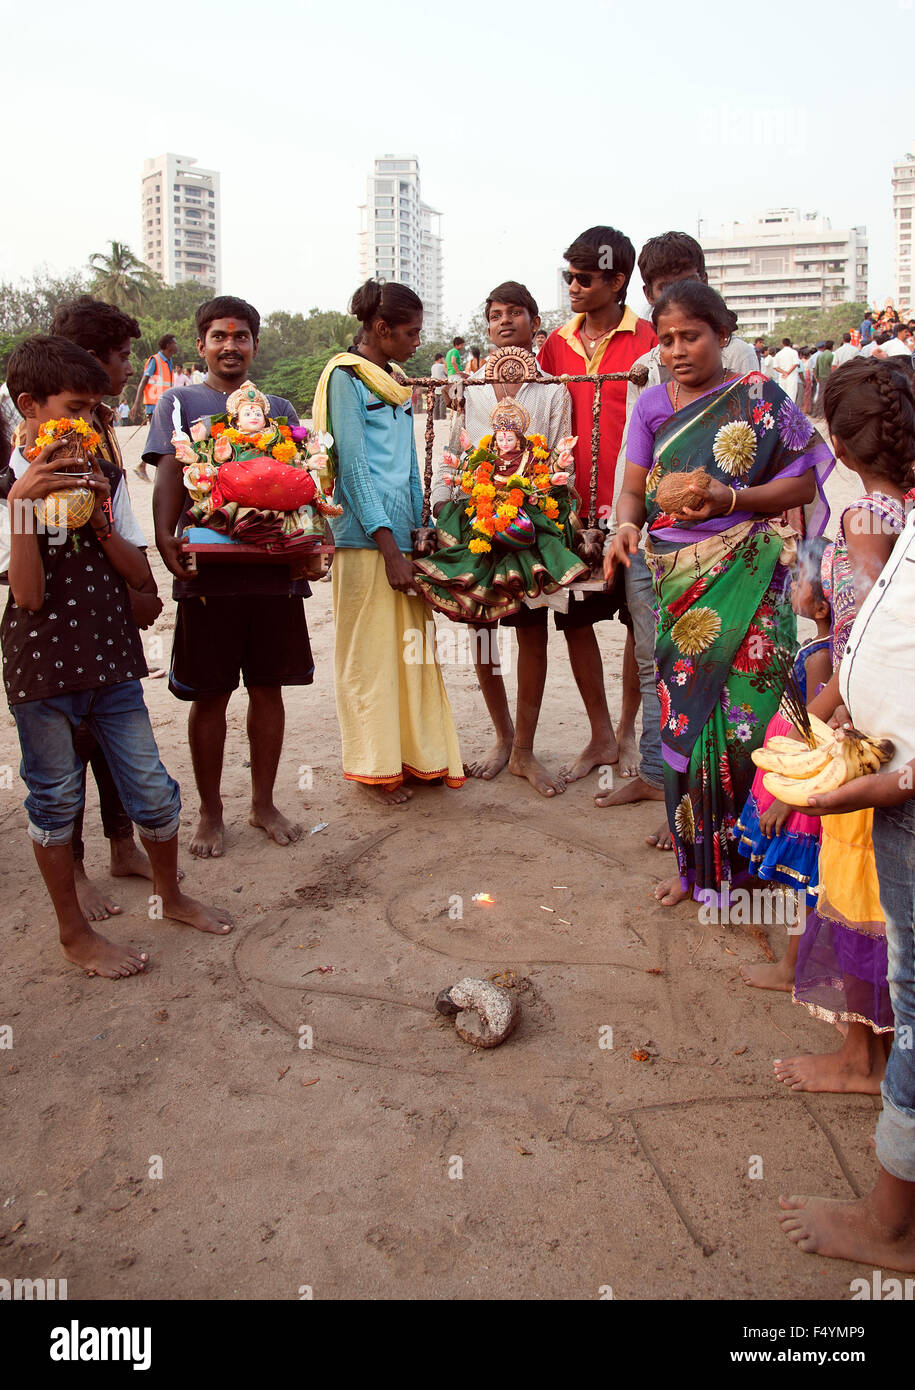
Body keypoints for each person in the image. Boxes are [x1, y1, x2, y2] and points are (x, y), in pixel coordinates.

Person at [0, 336, 231, 978]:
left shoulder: (98, 481)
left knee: (153, 792)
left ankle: (171, 894)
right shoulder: (7, 492)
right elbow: (28, 592)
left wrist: (98, 515)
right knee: (53, 801)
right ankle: (73, 934)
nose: (92, 423)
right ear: (30, 407)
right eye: (77, 408)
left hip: (111, 661)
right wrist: (23, 503)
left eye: (98, 410)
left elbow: (135, 576)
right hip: (42, 673)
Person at [609, 280, 833, 907]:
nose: (678, 350)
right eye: (668, 339)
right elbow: (632, 490)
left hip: (752, 573)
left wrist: (730, 500)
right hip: (677, 579)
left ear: (723, 335)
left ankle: (758, 866)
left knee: (751, 718)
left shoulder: (758, 397)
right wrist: (625, 524)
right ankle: (698, 870)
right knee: (690, 716)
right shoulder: (652, 405)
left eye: (692, 336)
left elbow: (801, 485)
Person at [778, 506, 915, 1274]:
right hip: (884, 771)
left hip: (887, 774)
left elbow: (847, 629)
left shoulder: (869, 516)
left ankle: (892, 1226)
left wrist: (888, 781)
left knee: (889, 953)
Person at [776, 360, 912, 1094]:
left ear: (839, 440)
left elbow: (863, 629)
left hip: (859, 726)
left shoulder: (862, 518)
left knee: (855, 887)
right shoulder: (901, 512)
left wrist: (814, 714)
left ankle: (863, 1059)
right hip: (888, 725)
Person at [603, 232, 759, 846]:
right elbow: (631, 472)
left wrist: (744, 511)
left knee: (723, 671)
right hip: (657, 549)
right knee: (657, 661)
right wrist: (625, 525)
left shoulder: (743, 365)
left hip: (731, 549)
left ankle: (714, 803)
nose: (676, 346)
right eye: (662, 294)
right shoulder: (650, 375)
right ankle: (661, 783)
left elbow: (777, 461)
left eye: (687, 283)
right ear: (648, 297)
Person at [147, 295, 312, 859]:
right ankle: (210, 811)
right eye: (219, 336)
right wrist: (168, 539)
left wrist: (313, 540)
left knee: (268, 687)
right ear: (201, 345)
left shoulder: (282, 409)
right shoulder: (178, 400)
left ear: (254, 345)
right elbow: (170, 473)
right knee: (210, 694)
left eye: (241, 336)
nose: (230, 346)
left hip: (273, 569)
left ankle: (263, 802)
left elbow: (304, 480)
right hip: (209, 571)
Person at [311, 279, 464, 805]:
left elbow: (404, 465)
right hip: (366, 542)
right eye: (410, 332)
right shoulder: (345, 379)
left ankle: (418, 759)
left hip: (402, 539)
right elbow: (354, 469)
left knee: (412, 654)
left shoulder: (394, 379)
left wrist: (416, 534)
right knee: (371, 657)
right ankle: (374, 768)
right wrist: (390, 550)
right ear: (381, 329)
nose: (417, 341)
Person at [424, 280, 576, 795]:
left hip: (531, 521)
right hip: (475, 519)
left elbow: (560, 457)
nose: (503, 321)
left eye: (515, 312)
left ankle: (525, 750)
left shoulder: (553, 389)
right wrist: (448, 503)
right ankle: (501, 736)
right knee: (481, 625)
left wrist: (535, 499)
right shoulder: (470, 387)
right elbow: (455, 449)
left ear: (535, 322)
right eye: (494, 314)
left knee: (532, 630)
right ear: (486, 325)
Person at [47, 295, 164, 919]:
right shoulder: (45, 439)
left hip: (110, 605)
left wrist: (138, 587)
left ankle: (122, 844)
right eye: (120, 358)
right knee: (67, 747)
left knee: (116, 733)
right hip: (58, 622)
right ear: (89, 362)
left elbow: (118, 515)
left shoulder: (102, 428)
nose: (127, 367)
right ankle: (77, 868)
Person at [538, 224, 657, 783]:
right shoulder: (554, 345)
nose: (573, 287)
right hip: (570, 509)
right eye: (569, 277)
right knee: (575, 621)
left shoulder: (654, 338)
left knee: (639, 623)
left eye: (584, 278)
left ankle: (631, 732)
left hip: (635, 510)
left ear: (617, 280)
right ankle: (601, 733)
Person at [737, 536, 832, 991]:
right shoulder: (822, 648)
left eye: (799, 582)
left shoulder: (821, 657)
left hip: (800, 781)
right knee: (804, 884)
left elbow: (815, 733)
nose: (792, 588)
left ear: (821, 607)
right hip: (792, 770)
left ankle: (792, 969)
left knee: (802, 883)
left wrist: (782, 798)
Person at [132, 333, 177, 480]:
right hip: (154, 404)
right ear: (168, 346)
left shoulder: (168, 361)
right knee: (159, 437)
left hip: (164, 404)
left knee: (161, 437)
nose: (177, 345)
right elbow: (143, 381)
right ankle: (143, 466)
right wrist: (136, 404)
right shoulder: (155, 360)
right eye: (174, 343)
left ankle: (143, 466)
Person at [812, 339, 833, 414]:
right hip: (828, 376)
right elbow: (832, 367)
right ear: (832, 347)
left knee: (820, 394)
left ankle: (816, 411)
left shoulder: (820, 356)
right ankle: (822, 412)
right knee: (826, 395)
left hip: (821, 377)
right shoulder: (831, 355)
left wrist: (817, 377)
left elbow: (816, 368)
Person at [430, 352, 448, 420]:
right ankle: (442, 416)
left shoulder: (433, 366)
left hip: (435, 386)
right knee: (442, 403)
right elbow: (447, 373)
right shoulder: (442, 366)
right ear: (440, 359)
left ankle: (436, 417)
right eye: (443, 359)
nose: (443, 360)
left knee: (436, 403)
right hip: (442, 386)